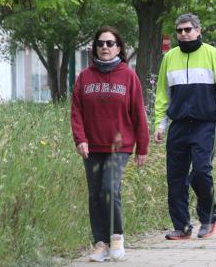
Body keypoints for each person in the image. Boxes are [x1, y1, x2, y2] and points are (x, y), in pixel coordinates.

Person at [153, 13, 216, 241]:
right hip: (178, 125)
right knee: (175, 178)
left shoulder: (212, 55)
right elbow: (162, 93)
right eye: (179, 31)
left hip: (204, 125)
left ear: (198, 31)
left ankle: (209, 218)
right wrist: (160, 124)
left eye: (188, 29)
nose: (184, 34)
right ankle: (182, 226)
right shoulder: (169, 57)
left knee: (201, 171)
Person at [71, 26, 149, 262]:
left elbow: (138, 114)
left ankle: (116, 235)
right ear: (95, 47)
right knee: (95, 195)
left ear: (119, 47)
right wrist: (80, 139)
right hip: (92, 147)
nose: (105, 47)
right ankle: (100, 243)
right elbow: (76, 112)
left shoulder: (128, 76)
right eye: (100, 43)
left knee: (108, 189)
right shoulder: (85, 76)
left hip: (120, 146)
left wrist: (142, 148)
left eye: (110, 43)